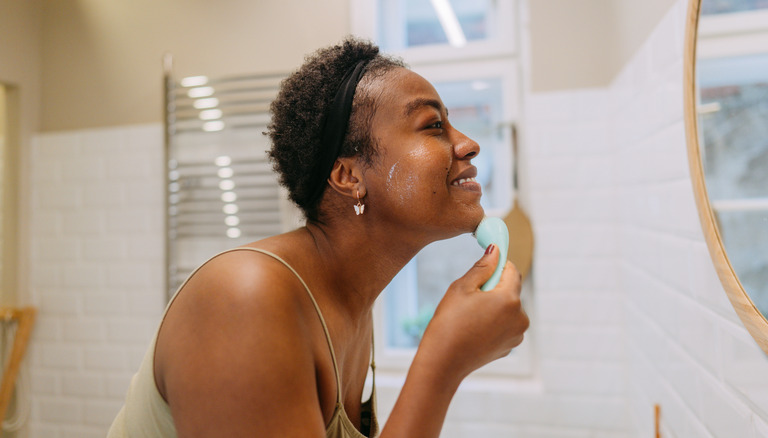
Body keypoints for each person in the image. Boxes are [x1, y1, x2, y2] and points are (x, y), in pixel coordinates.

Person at [108, 36, 529, 438]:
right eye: (433, 125)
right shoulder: (244, 296)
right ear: (348, 176)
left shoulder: (353, 311)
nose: (469, 144)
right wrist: (443, 361)